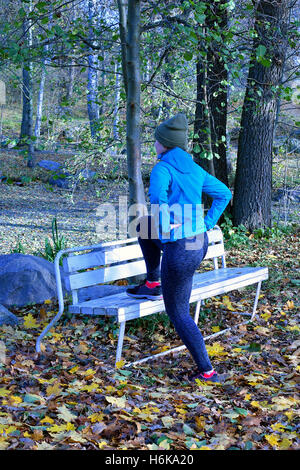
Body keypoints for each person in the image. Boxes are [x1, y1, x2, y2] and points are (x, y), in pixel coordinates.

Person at [126, 113, 232, 383]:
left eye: (157, 141)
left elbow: (158, 199)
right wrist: (206, 224)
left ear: (165, 144)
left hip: (181, 250)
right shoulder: (194, 169)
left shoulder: (163, 168)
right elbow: (224, 194)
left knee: (178, 313)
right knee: (142, 226)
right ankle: (152, 282)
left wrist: (164, 227)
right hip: (198, 243)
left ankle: (207, 372)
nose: (154, 145)